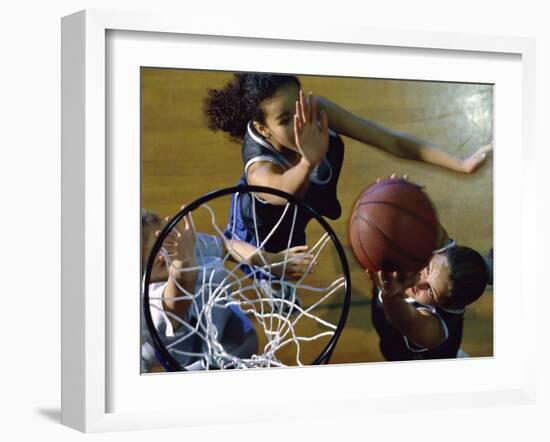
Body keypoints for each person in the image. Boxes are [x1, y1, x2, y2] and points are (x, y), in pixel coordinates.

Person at [204, 73, 492, 305]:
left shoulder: (313, 111)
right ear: (263, 129)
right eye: (284, 119)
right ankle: (271, 284)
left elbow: (390, 140)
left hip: (309, 201)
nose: (300, 122)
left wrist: (461, 164)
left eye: (299, 106)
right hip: (267, 230)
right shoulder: (259, 170)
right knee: (277, 269)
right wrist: (307, 161)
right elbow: (282, 191)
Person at [140, 208, 315, 372]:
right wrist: (183, 261)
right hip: (195, 362)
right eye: (156, 259)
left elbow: (226, 246)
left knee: (245, 338)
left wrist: (271, 261)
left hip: (216, 315)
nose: (165, 253)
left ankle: (147, 351)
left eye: (165, 240)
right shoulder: (151, 302)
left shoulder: (177, 248)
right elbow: (177, 299)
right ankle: (146, 353)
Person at [368, 232, 492, 361]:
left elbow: (406, 320)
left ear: (445, 305)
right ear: (435, 253)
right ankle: (489, 267)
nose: (419, 282)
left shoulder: (434, 332)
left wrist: (390, 295)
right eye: (427, 268)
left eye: (431, 291)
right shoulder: (442, 261)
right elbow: (425, 220)